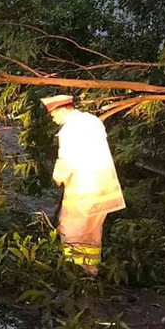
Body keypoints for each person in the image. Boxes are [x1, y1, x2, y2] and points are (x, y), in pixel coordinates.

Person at [42, 94, 125, 274]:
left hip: (83, 189)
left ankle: (76, 270)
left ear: (62, 109)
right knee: (92, 231)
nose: (52, 118)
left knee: (72, 231)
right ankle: (91, 269)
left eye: (53, 114)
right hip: (104, 189)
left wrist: (58, 177)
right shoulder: (92, 121)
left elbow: (67, 159)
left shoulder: (69, 130)